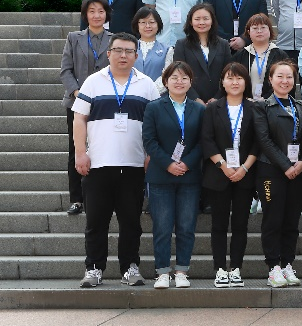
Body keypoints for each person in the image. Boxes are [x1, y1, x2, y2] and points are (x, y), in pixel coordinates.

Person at [73, 32, 160, 288]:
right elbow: (79, 119)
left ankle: (130, 267)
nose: (123, 55)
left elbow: (155, 124)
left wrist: (150, 155)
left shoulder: (147, 84)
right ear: (108, 54)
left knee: (131, 222)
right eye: (118, 50)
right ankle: (94, 268)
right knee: (95, 222)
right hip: (98, 163)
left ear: (136, 55)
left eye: (129, 51)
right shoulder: (93, 82)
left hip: (134, 165)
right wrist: (80, 152)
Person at [142, 60, 205, 289]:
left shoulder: (199, 109)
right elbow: (149, 141)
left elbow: (203, 142)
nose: (179, 82)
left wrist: (186, 163)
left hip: (189, 176)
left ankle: (182, 271)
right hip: (160, 176)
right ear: (166, 81)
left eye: (184, 78)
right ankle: (162, 272)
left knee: (186, 226)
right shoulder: (154, 107)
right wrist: (168, 164)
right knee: (162, 227)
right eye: (174, 78)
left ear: (190, 82)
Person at [199, 61, 259, 287]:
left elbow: (258, 143)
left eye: (239, 78)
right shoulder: (212, 108)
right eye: (230, 78)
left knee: (241, 224)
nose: (235, 82)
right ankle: (220, 270)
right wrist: (224, 166)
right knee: (219, 225)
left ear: (246, 82)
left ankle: (236, 269)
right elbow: (207, 140)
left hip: (245, 174)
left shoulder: (254, 108)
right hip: (219, 175)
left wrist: (244, 167)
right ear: (222, 82)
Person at [253, 60, 302, 288]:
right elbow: (264, 140)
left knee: (292, 220)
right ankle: (273, 266)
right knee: (273, 219)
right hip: (270, 170)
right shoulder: (262, 107)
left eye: (289, 77)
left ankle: (287, 264)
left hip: (298, 171)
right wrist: (286, 165)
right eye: (280, 76)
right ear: (270, 79)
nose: (285, 81)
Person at [61, 0, 112, 216]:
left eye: (100, 11)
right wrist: (78, 93)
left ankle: (104, 197)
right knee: (77, 148)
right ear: (85, 15)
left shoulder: (114, 39)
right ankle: (76, 199)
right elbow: (65, 70)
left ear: (106, 14)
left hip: (105, 104)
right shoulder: (74, 38)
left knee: (105, 147)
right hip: (76, 102)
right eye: (92, 11)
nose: (96, 15)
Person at [168, 3, 231, 103]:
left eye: (206, 19)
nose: (201, 22)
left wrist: (218, 97)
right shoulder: (182, 44)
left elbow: (228, 73)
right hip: (190, 101)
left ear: (212, 20)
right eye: (197, 19)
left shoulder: (223, 44)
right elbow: (179, 73)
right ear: (190, 22)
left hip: (219, 102)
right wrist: (195, 98)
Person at [231, 13, 285, 101]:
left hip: (273, 103)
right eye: (255, 28)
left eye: (263, 27)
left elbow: (284, 82)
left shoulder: (280, 55)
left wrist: (266, 99)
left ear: (270, 30)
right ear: (248, 32)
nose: (259, 31)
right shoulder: (241, 55)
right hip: (245, 103)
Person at [132, 7, 171, 82]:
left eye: (152, 22)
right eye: (143, 22)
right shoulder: (129, 48)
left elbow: (167, 75)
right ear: (137, 25)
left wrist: (152, 88)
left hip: (157, 89)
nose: (147, 26)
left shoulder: (167, 50)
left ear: (158, 24)